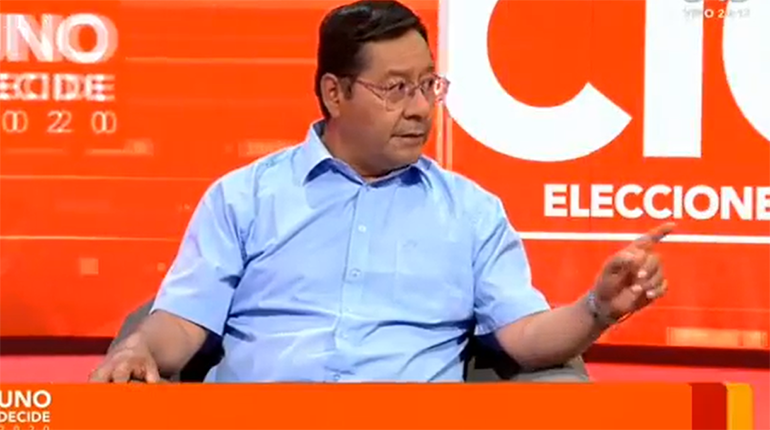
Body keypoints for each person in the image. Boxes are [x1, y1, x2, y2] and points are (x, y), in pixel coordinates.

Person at [90, 0, 673, 383]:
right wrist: (138, 349)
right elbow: (182, 322)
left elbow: (523, 337)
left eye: (428, 85)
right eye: (395, 89)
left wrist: (597, 310)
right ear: (335, 94)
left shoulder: (470, 212)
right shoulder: (245, 197)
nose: (420, 108)